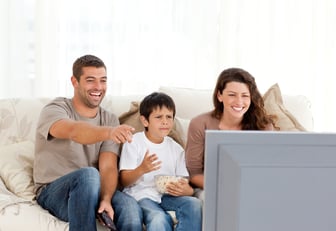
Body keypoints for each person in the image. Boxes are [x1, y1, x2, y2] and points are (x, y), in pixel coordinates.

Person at [33, 54, 143, 231]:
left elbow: (107, 167)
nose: (98, 87)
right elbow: (74, 131)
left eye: (103, 80)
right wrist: (109, 132)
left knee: (130, 209)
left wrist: (106, 199)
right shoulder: (56, 109)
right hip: (54, 192)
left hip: (95, 190)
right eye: (90, 80)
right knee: (89, 175)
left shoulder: (110, 119)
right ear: (74, 82)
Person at [185, 67, 277, 201]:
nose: (239, 102)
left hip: (251, 187)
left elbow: (267, 170)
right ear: (219, 95)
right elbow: (194, 173)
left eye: (245, 96)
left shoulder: (263, 126)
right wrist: (227, 188)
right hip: (210, 188)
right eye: (232, 95)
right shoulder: (199, 124)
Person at [119, 92, 202, 231]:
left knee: (194, 204)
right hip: (142, 195)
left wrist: (187, 190)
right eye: (159, 117)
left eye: (169, 117)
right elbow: (124, 181)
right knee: (159, 218)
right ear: (145, 121)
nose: (165, 121)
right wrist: (142, 169)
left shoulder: (176, 148)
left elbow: (184, 180)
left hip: (167, 196)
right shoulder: (134, 142)